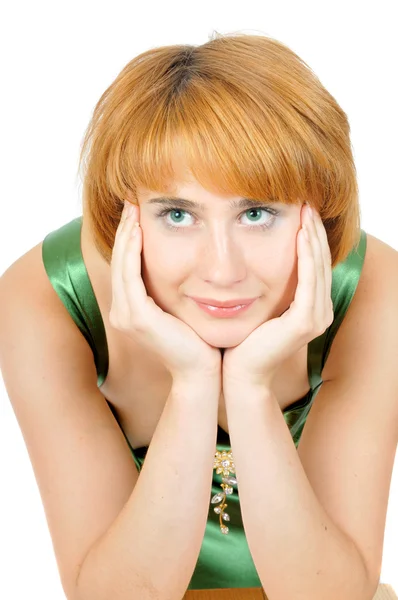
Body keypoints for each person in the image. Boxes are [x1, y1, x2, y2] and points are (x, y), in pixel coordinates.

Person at [1, 31, 397, 600]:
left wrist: (250, 386)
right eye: (178, 214)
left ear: (319, 211)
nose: (222, 269)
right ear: (123, 214)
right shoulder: (51, 299)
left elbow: (332, 595)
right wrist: (192, 384)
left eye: (257, 213)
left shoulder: (372, 291)